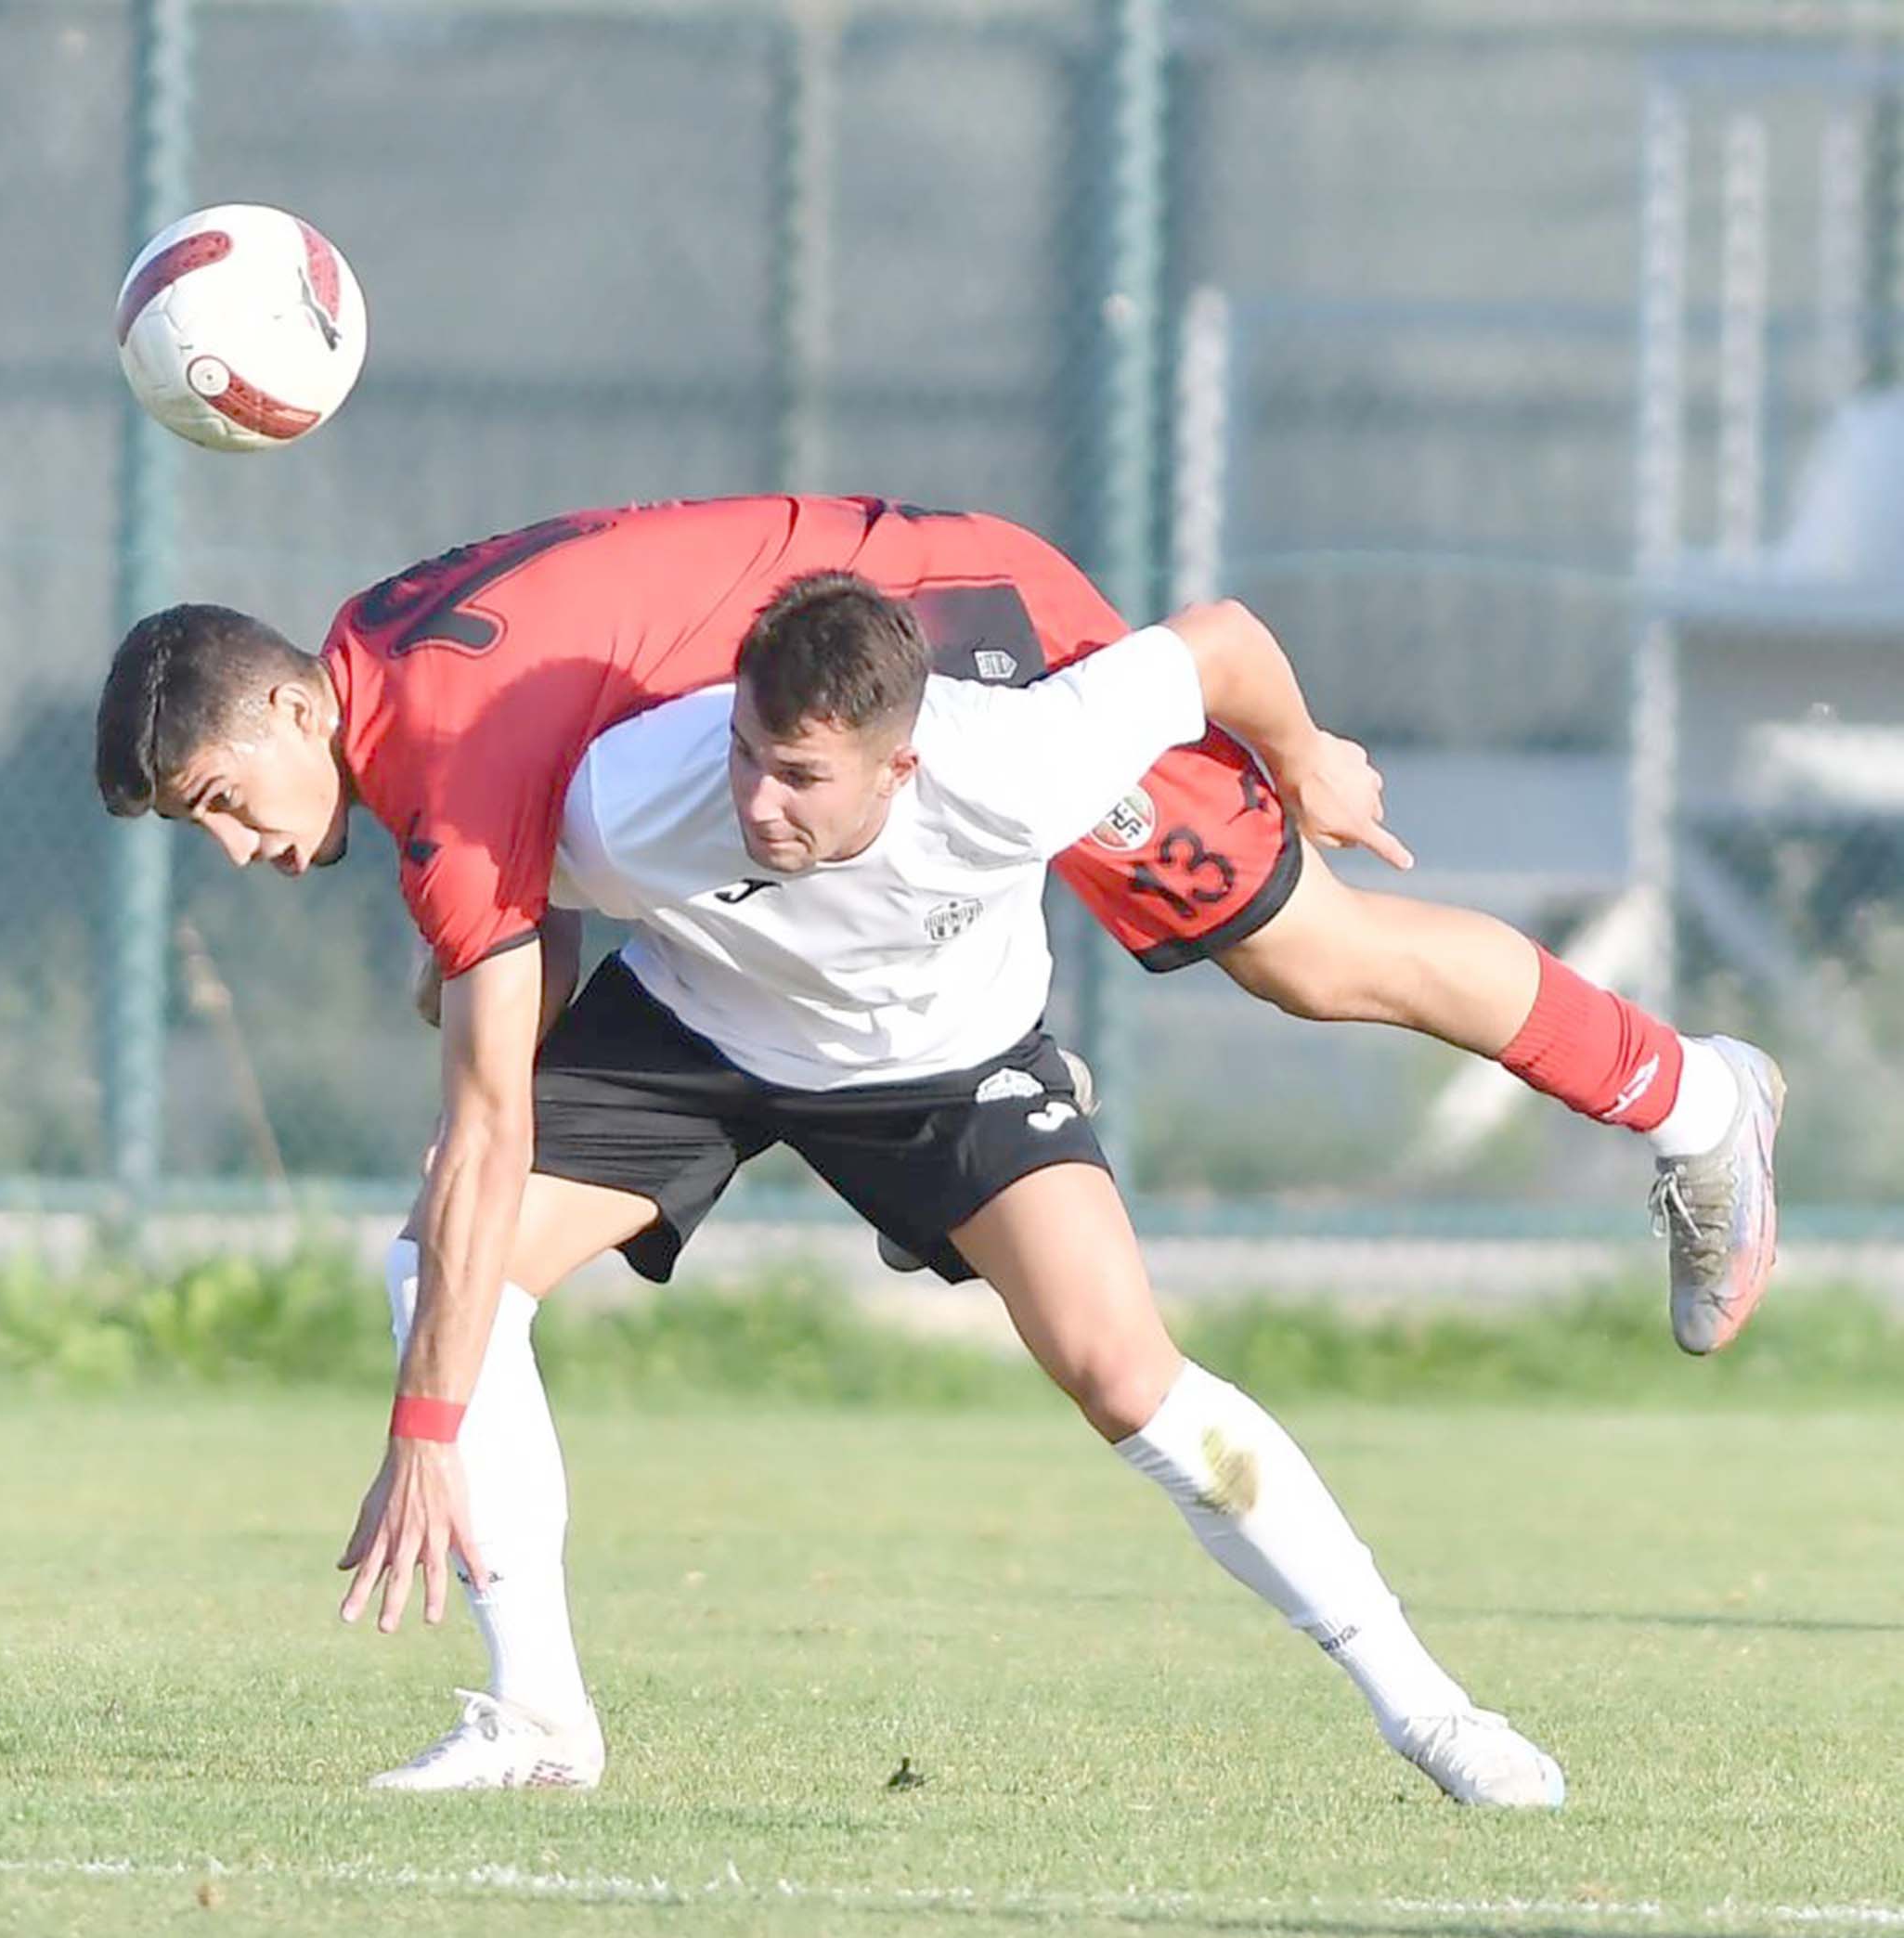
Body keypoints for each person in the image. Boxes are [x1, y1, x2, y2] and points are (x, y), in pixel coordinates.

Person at [334, 573, 1575, 1806]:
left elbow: (1229, 641)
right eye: (750, 755)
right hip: (694, 1032)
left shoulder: (1025, 759)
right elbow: (510, 899)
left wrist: (1304, 760)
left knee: (1128, 1381)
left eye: (806, 778)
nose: (762, 802)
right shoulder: (634, 795)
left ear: (903, 768)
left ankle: (1431, 1710)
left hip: (948, 1063)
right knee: (447, 1269)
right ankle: (541, 1723)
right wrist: (466, 978)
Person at [94, 493, 1783, 1366]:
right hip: (840, 671)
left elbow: (496, 1015)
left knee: (1315, 954)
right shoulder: (390, 690)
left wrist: (1295, 750)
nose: (236, 849)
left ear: (299, 708)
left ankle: (1703, 1105)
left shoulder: (439, 761)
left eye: (224, 802)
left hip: (966, 635)